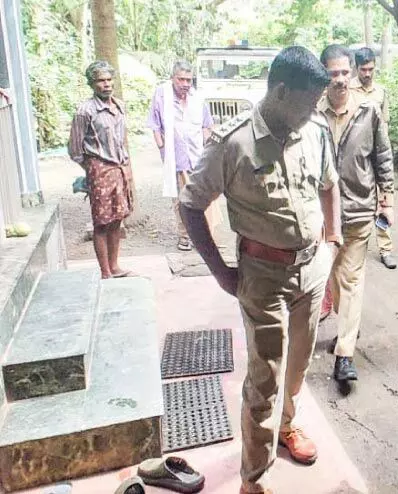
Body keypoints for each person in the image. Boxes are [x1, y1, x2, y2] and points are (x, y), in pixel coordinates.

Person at [178, 46, 342, 494]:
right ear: (283, 91)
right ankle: (255, 479)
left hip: (311, 270)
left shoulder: (315, 131)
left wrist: (331, 244)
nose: (316, 110)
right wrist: (220, 273)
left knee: (298, 366)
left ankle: (287, 426)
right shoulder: (233, 143)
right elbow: (191, 205)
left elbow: (329, 186)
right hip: (262, 277)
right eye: (310, 101)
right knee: (264, 378)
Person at [317, 44, 393, 383]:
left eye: (345, 72)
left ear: (352, 72)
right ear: (323, 75)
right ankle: (347, 326)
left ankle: (345, 355)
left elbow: (382, 155)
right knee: (329, 279)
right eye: (333, 73)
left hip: (359, 208)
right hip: (320, 215)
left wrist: (386, 198)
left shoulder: (369, 110)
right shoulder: (311, 112)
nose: (340, 80)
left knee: (350, 279)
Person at [68, 61, 134, 279]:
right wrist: (92, 169)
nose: (106, 85)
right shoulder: (85, 111)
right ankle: (105, 271)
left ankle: (115, 266)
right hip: (100, 170)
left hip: (119, 168)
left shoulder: (119, 106)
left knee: (117, 219)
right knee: (102, 222)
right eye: (100, 81)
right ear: (92, 84)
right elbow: (75, 149)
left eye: (108, 80)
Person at [147, 60, 219, 251]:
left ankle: (204, 236)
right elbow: (154, 124)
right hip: (176, 158)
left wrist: (207, 146)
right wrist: (162, 147)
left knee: (203, 196)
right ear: (173, 78)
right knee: (181, 199)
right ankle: (184, 236)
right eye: (181, 80)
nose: (186, 84)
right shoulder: (162, 94)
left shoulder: (198, 97)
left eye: (189, 80)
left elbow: (207, 125)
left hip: (198, 157)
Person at [350, 46, 396, 270]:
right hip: (355, 156)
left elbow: (384, 126)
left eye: (370, 69)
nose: (367, 74)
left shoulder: (381, 92)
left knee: (384, 199)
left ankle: (385, 249)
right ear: (355, 68)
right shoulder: (347, 89)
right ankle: (354, 244)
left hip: (376, 153)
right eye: (363, 69)